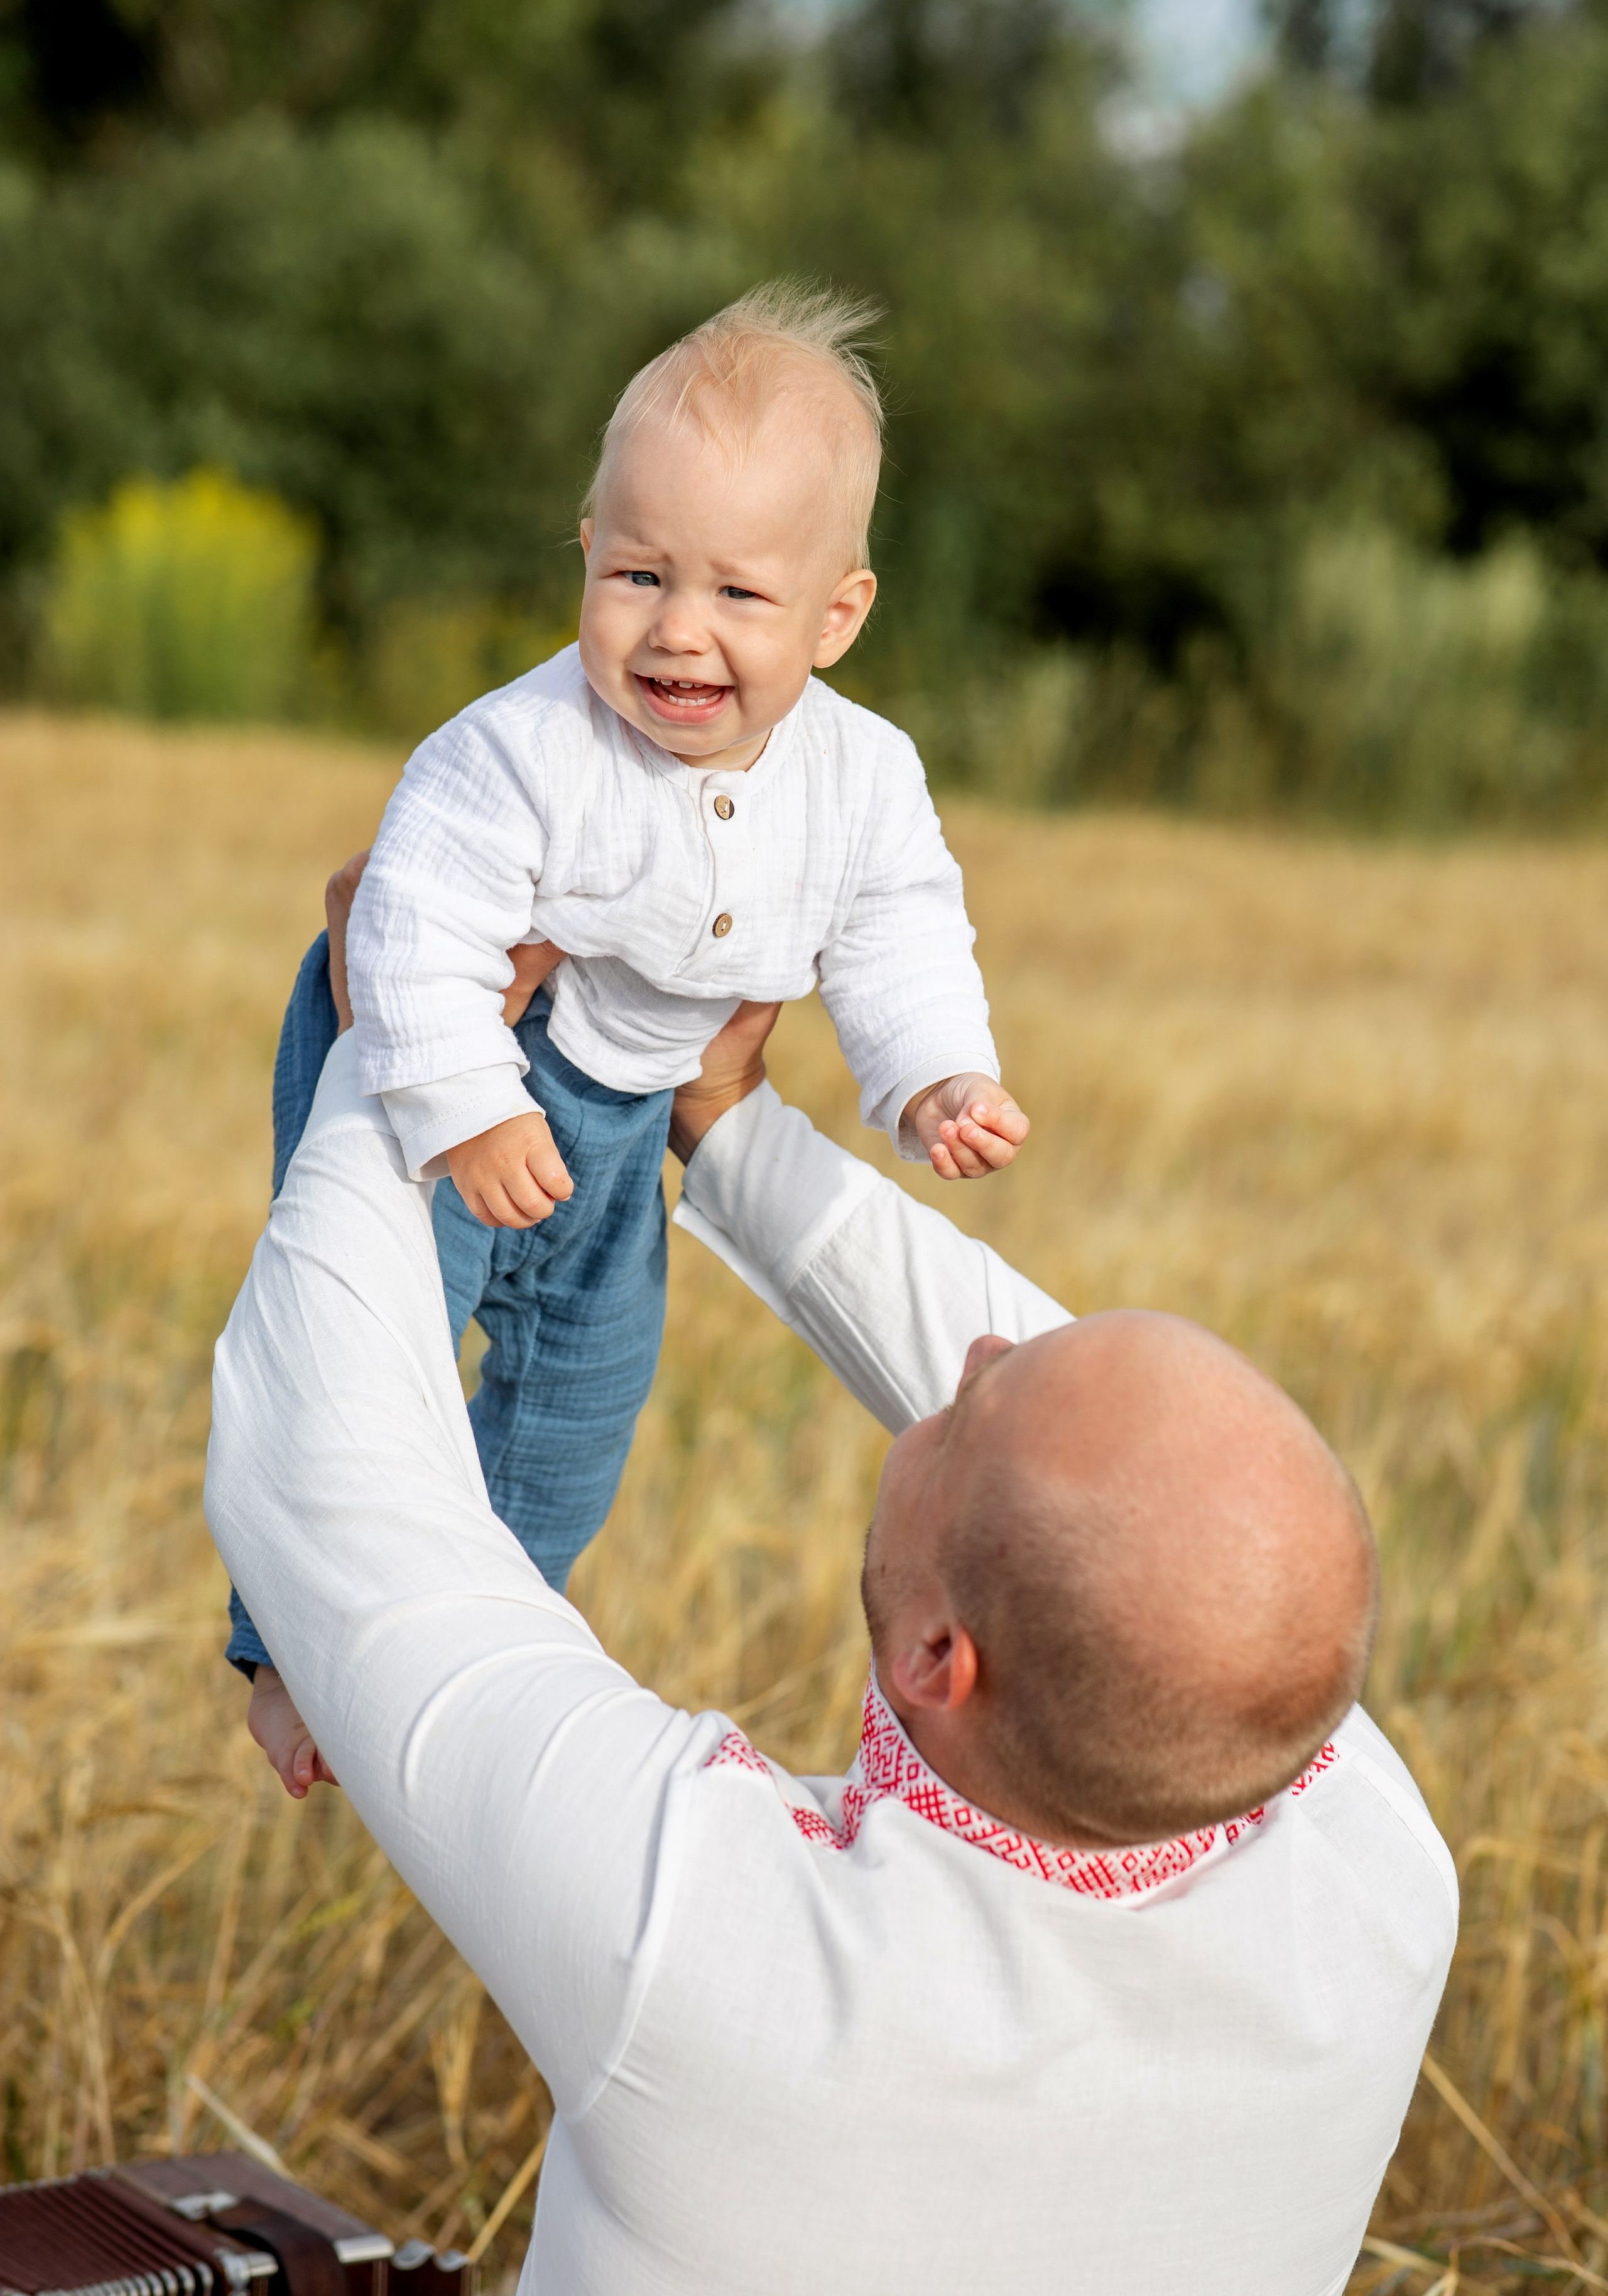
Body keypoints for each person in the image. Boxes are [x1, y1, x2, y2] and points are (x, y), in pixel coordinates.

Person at [208, 1002, 1457, 2294]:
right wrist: (734, 1124)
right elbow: (1131, 1507)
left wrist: (409, 1030)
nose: (973, 1352)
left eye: (970, 1407)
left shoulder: (715, 1948)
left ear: (935, 1658)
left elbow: (327, 1477)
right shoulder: (1377, 1875)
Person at [225, 279, 1029, 1685]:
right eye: (640, 576)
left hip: (626, 1122)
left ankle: (462, 1656)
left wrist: (930, 1075)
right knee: (365, 1345)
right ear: (587, 552)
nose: (676, 631)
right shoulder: (518, 749)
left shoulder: (863, 778)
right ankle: (291, 1653)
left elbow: (898, 929)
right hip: (462, 1056)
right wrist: (466, 1104)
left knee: (577, 1409)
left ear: (836, 617)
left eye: (737, 594)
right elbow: (406, 922)